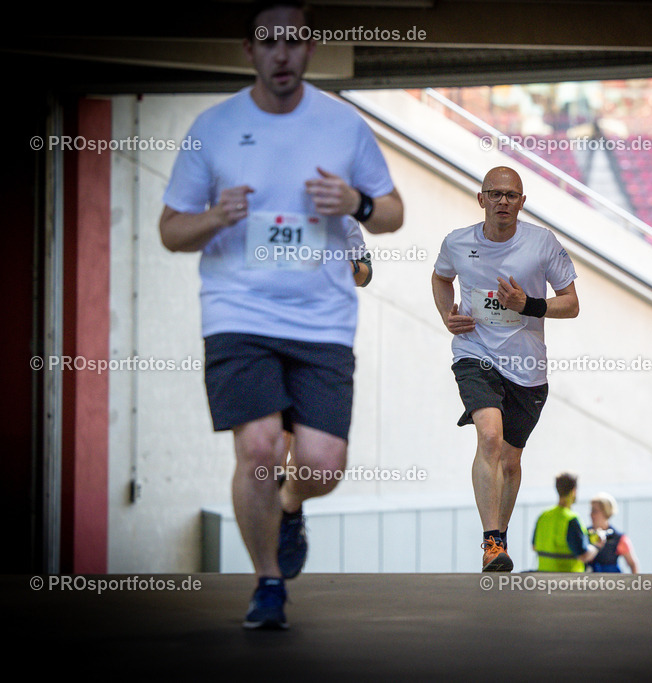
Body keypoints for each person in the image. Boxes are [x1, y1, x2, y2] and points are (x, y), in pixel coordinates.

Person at [159, 0, 403, 629]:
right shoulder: (212, 128)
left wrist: (358, 202)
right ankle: (268, 583)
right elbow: (170, 230)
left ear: (310, 48)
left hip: (321, 319)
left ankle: (292, 504)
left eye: (294, 41)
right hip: (237, 310)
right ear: (250, 51)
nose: (282, 53)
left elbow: (393, 213)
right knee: (260, 447)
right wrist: (215, 216)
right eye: (269, 42)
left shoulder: (343, 127)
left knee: (321, 464)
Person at [431, 166, 579, 572]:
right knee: (490, 438)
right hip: (474, 352)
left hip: (527, 367)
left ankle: (501, 535)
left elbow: (572, 303)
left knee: (510, 462)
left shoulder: (542, 243)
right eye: (494, 194)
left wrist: (527, 305)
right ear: (481, 199)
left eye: (511, 195)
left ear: (522, 202)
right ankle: (491, 542)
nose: (502, 201)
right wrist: (448, 314)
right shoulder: (457, 243)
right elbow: (441, 278)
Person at [532, 472, 602, 572]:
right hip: (567, 581)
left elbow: (534, 546)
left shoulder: (543, 516)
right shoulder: (571, 519)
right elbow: (583, 556)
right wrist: (598, 545)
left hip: (543, 580)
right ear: (574, 491)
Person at [586, 493, 639, 573]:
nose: (591, 514)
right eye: (591, 510)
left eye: (595, 511)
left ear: (606, 512)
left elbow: (632, 563)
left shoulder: (618, 538)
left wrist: (635, 583)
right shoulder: (585, 534)